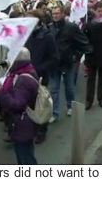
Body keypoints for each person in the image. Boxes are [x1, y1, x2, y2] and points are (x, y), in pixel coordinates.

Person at [0, 48, 40, 165]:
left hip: (23, 125)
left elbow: (17, 105)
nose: (7, 60)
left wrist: (1, 92)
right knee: (26, 155)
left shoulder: (22, 80)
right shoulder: (25, 72)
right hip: (25, 124)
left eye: (9, 58)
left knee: (25, 159)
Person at [48, 6, 88, 122]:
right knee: (54, 89)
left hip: (68, 62)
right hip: (54, 64)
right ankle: (54, 113)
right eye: (53, 13)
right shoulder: (49, 28)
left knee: (69, 87)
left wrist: (76, 56)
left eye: (57, 13)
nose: (55, 15)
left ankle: (70, 106)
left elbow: (83, 42)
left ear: (63, 14)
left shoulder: (71, 27)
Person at [24, 9, 59, 143]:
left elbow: (54, 58)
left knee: (40, 104)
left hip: (40, 76)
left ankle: (41, 130)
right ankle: (28, 129)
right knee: (26, 103)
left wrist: (38, 68)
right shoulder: (24, 36)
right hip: (24, 76)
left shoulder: (46, 36)